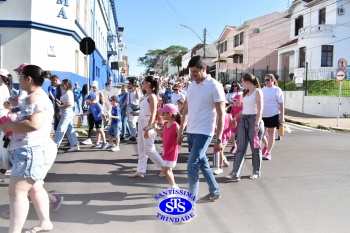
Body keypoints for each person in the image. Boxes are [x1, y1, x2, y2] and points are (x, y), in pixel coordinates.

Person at [0, 65, 57, 233]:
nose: (18, 80)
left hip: (32, 150)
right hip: (33, 149)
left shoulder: (35, 98)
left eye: (20, 76)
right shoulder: (33, 97)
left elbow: (34, 124)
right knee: (34, 187)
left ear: (28, 79)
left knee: (16, 191)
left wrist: (10, 125)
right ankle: (45, 222)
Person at [177, 55, 225, 205]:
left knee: (192, 166)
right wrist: (181, 131)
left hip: (204, 132)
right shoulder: (191, 86)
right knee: (202, 163)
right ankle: (214, 191)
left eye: (195, 72)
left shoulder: (215, 86)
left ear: (204, 68)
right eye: (191, 72)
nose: (193, 75)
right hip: (191, 131)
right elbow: (186, 110)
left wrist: (219, 138)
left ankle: (190, 206)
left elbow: (221, 113)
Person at [225, 73, 264, 182]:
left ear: (247, 82)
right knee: (240, 147)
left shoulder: (258, 92)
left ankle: (256, 171)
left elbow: (260, 109)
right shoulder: (246, 93)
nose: (241, 84)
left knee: (255, 148)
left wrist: (257, 124)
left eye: (242, 82)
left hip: (254, 120)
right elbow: (245, 109)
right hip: (243, 120)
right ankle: (235, 173)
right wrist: (235, 117)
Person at [128, 75, 163, 178]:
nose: (141, 84)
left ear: (148, 84)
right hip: (142, 121)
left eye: (143, 82)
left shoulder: (152, 96)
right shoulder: (145, 96)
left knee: (149, 149)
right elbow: (144, 111)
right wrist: (137, 114)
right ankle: (140, 171)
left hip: (148, 123)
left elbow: (153, 113)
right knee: (141, 149)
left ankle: (164, 167)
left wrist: (149, 127)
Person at [153, 103, 181, 189]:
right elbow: (162, 136)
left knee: (165, 171)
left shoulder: (176, 125)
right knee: (168, 170)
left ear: (170, 114)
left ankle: (174, 186)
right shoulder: (165, 124)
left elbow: (180, 139)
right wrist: (155, 128)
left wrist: (177, 146)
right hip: (166, 150)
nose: (162, 115)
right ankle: (171, 185)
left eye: (163, 113)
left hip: (172, 151)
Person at [261, 74, 284, 160]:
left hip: (273, 114)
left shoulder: (277, 90)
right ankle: (266, 145)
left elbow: (281, 104)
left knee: (271, 133)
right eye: (265, 80)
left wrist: (282, 116)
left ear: (272, 80)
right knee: (261, 134)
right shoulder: (262, 90)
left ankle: (268, 152)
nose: (266, 81)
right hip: (263, 115)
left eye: (268, 80)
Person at [53, 79, 80, 152]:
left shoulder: (68, 93)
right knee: (69, 129)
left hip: (67, 112)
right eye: (61, 85)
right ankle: (75, 145)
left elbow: (70, 103)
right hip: (66, 112)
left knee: (60, 129)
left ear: (67, 85)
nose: (61, 86)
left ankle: (54, 146)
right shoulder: (66, 92)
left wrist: (60, 106)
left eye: (62, 85)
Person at [82, 81, 105, 145]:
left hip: (98, 111)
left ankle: (101, 139)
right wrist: (86, 102)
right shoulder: (91, 93)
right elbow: (88, 101)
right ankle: (89, 138)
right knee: (91, 125)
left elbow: (102, 102)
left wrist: (101, 110)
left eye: (95, 87)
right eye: (93, 87)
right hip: (91, 111)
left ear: (97, 87)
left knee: (99, 126)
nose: (94, 88)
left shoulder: (100, 93)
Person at [212, 108, 232, 175]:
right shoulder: (216, 116)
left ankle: (220, 168)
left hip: (225, 136)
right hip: (219, 135)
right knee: (220, 150)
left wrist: (234, 122)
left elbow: (233, 124)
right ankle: (224, 159)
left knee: (220, 150)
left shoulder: (229, 115)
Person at [126, 78, 141, 144]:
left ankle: (135, 136)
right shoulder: (129, 91)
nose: (128, 85)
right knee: (129, 122)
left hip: (135, 108)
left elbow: (138, 98)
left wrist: (136, 89)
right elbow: (127, 100)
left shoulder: (137, 90)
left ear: (132, 84)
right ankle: (132, 136)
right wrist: (123, 107)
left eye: (129, 84)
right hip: (129, 108)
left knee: (133, 122)